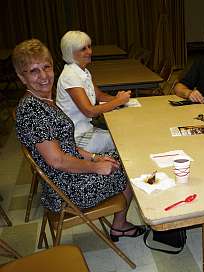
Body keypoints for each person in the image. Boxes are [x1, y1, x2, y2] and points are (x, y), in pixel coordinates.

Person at [13, 39, 145, 241]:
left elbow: (67, 145)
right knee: (128, 166)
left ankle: (120, 223)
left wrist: (94, 157)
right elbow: (57, 160)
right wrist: (94, 167)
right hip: (66, 191)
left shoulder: (44, 101)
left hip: (66, 177)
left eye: (46, 67)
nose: (43, 76)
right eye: (33, 71)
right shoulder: (33, 111)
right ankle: (119, 225)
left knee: (120, 157)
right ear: (22, 77)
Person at [56, 30, 131, 153]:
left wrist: (119, 98)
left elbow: (99, 96)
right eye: (83, 49)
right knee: (124, 139)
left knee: (122, 133)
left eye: (89, 47)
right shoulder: (70, 76)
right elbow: (89, 111)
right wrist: (117, 102)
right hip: (75, 138)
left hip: (86, 129)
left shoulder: (83, 72)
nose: (89, 52)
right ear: (71, 52)